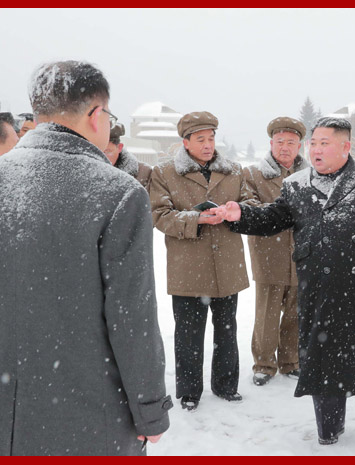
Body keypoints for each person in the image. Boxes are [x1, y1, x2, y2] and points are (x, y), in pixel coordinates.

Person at [214, 117, 355, 445]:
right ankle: (329, 427)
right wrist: (241, 215)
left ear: (346, 147)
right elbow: (275, 217)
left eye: (324, 143)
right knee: (324, 352)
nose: (315, 149)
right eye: (313, 143)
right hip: (318, 285)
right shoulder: (297, 184)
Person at [0, 60, 171, 455]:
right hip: (84, 413)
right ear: (97, 115)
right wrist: (149, 410)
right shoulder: (116, 193)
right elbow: (132, 319)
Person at [150, 111, 249, 411]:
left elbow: (251, 206)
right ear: (186, 142)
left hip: (227, 267)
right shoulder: (165, 172)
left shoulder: (234, 170)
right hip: (187, 268)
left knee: (227, 331)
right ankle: (189, 391)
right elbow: (159, 215)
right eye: (201, 139)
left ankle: (226, 385)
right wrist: (198, 218)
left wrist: (235, 210)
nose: (208, 145)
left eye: (212, 138)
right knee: (188, 335)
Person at [244, 117, 309, 386]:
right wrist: (279, 215)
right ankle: (263, 363)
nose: (285, 147)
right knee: (267, 314)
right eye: (280, 142)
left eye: (291, 143)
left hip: (302, 254)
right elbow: (248, 206)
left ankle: (290, 361)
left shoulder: (310, 175)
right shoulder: (252, 175)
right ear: (271, 144)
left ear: (299, 146)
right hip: (269, 253)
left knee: (296, 312)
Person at [105, 123, 152, 190]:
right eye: (98, 151)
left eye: (107, 151)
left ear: (119, 147)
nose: (102, 156)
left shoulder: (143, 173)